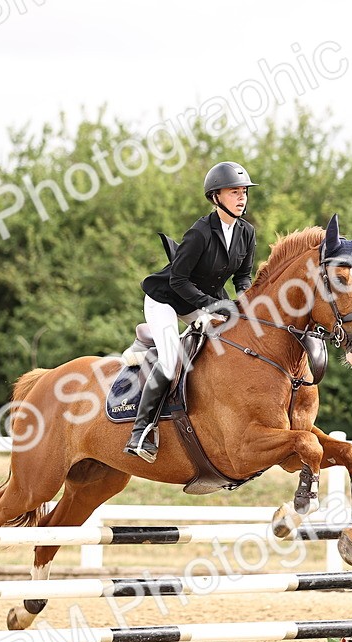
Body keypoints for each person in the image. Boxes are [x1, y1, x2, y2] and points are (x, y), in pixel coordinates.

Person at [124, 161, 258, 462]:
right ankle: (141, 432)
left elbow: (242, 278)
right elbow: (177, 279)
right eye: (234, 192)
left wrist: (247, 304)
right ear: (216, 197)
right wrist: (209, 307)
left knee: (232, 346)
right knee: (171, 361)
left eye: (244, 192)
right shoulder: (199, 233)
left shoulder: (246, 233)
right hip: (167, 300)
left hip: (203, 300)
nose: (242, 198)